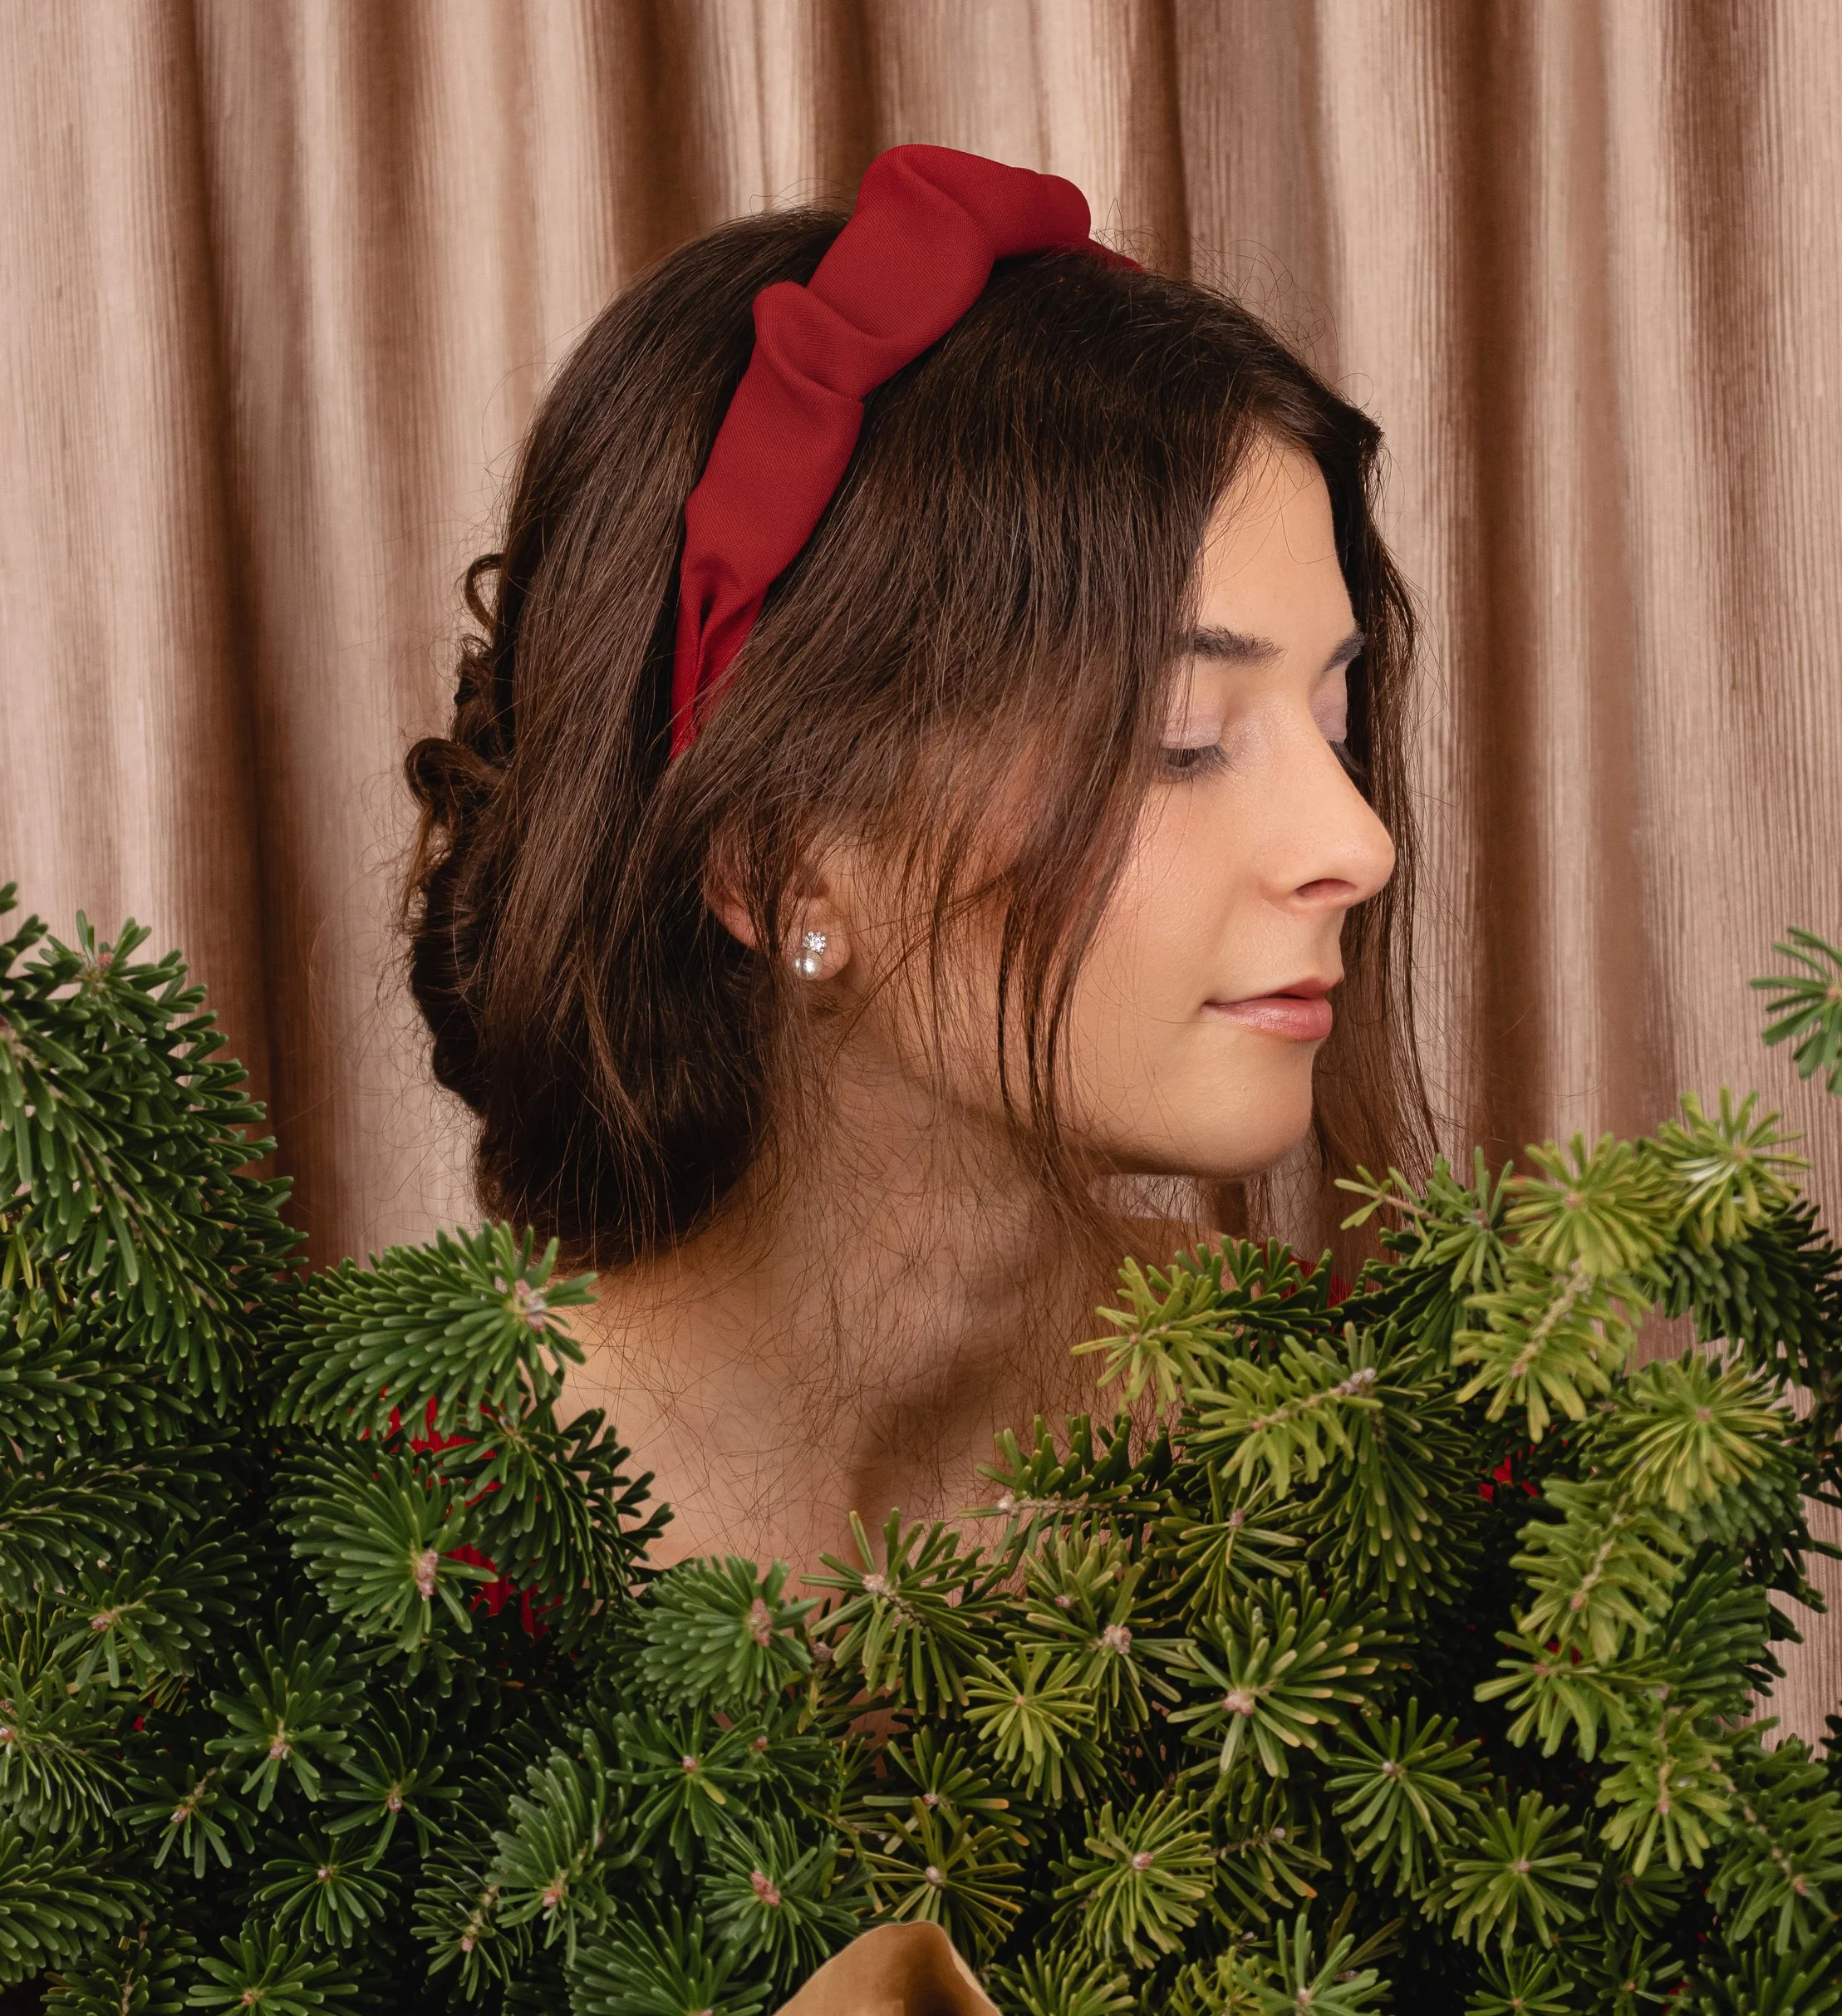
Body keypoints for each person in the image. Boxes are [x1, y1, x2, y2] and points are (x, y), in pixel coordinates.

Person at [404, 145, 1428, 1582]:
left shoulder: (1367, 1457)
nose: (1357, 842)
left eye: (1333, 718)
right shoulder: (398, 1561)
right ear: (777, 865)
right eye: (1184, 739)